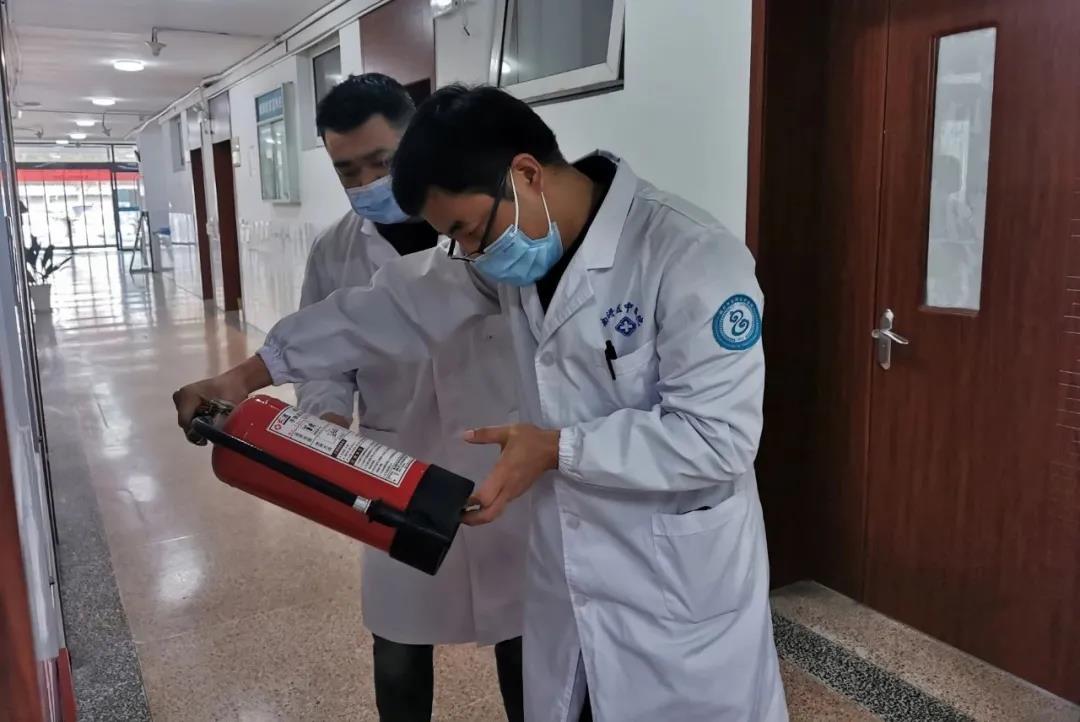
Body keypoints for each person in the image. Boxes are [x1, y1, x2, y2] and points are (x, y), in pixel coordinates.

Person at [174, 85, 788, 722]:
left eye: (466, 230)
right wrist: (246, 376)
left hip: (677, 588)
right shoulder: (505, 257)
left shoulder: (691, 256)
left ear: (525, 174)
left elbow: (719, 438)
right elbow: (383, 309)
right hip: (568, 573)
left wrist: (557, 448)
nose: (468, 253)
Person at [286, 75, 528, 722]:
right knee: (397, 642)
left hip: (500, 463)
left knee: (524, 638)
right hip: (397, 467)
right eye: (347, 170)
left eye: (381, 161)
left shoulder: (486, 222)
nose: (367, 181)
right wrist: (325, 415)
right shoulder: (334, 251)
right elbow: (322, 355)